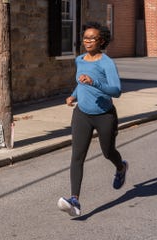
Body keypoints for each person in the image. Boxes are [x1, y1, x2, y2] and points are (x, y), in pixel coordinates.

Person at [57, 22, 128, 217]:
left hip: (105, 115)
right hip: (82, 114)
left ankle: (121, 167)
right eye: (85, 37)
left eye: (92, 38)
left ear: (101, 41)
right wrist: (74, 96)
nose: (87, 41)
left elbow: (117, 91)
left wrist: (95, 82)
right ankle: (74, 200)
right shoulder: (80, 59)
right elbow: (81, 84)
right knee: (77, 156)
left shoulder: (106, 63)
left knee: (108, 152)